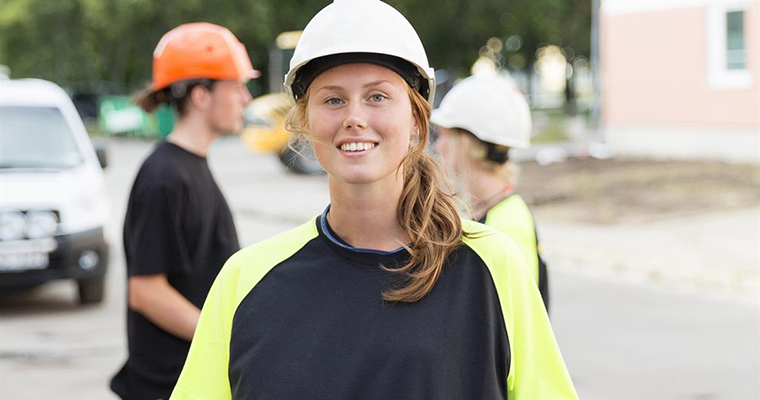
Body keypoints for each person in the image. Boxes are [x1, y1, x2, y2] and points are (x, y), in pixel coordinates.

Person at [171, 1, 577, 399]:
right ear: (305, 121)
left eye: (377, 97)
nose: (354, 117)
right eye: (333, 99)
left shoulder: (491, 266)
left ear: (417, 120)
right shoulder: (244, 280)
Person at [110, 22, 258, 400]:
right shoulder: (164, 178)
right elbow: (146, 291)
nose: (246, 99)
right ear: (200, 96)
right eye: (236, 86)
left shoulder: (191, 166)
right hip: (169, 386)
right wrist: (228, 339)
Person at [431, 74, 551, 310]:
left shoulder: (507, 225)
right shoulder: (493, 211)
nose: (437, 147)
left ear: (466, 142)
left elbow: (511, 321)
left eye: (444, 135)